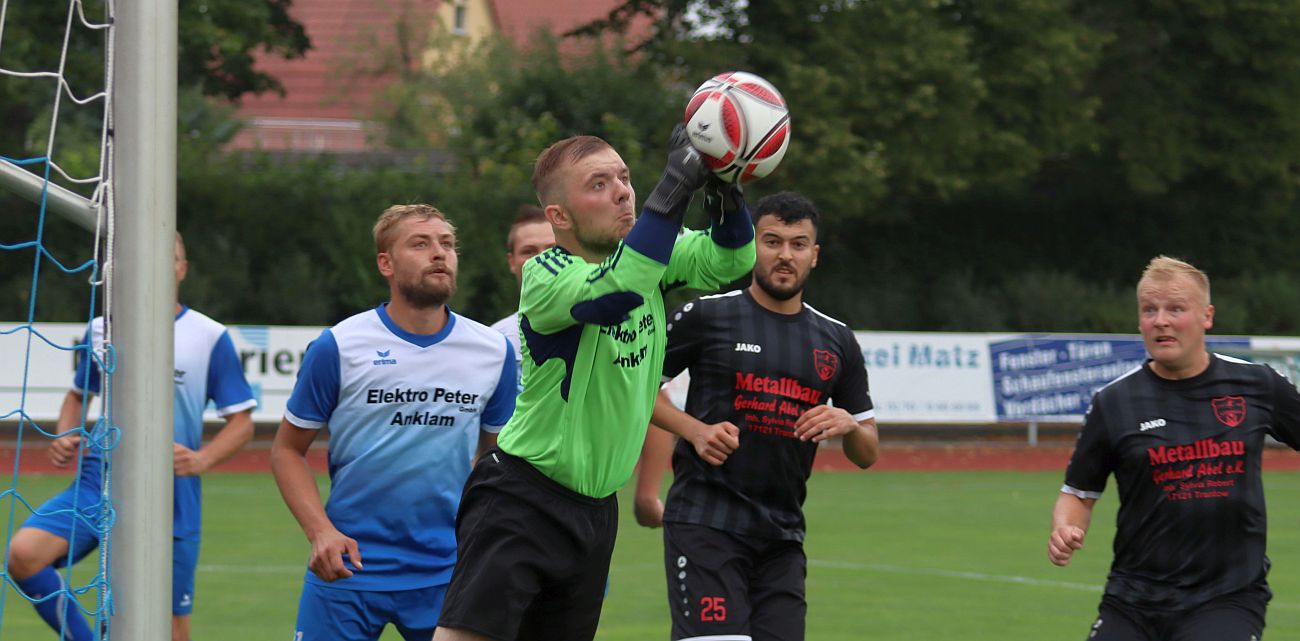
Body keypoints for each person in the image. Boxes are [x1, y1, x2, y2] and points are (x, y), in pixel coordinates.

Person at [433, 126, 756, 641]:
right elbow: (618, 289)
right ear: (558, 216)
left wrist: (725, 189)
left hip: (594, 510)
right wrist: (674, 185)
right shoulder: (545, 273)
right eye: (599, 183)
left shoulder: (651, 258)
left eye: (625, 178)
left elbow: (733, 259)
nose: (624, 190)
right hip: (522, 497)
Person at [271, 204, 516, 641]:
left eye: (447, 244)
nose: (439, 253)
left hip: (451, 571)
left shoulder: (493, 351)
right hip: (347, 569)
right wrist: (320, 532)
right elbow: (287, 450)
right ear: (386, 262)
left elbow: (499, 460)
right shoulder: (339, 346)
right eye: (420, 244)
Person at [649, 191, 878, 641]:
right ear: (753, 244)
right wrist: (694, 431)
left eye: (798, 244)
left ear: (815, 255)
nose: (785, 255)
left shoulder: (837, 340)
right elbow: (634, 391)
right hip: (705, 523)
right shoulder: (706, 315)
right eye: (772, 241)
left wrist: (849, 425)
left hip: (782, 537)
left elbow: (868, 451)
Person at [7, 232, 257, 641]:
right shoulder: (102, 327)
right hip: (99, 479)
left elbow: (242, 422)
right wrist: (66, 434)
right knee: (24, 555)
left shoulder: (208, 335)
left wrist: (202, 459)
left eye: (169, 258)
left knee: (171, 624)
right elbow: (77, 395)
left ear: (182, 269)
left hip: (169, 491)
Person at [1048, 255, 1300, 641]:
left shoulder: (1257, 385)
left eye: (1175, 309)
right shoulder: (1113, 403)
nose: (1160, 320)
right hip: (1132, 601)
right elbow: (1078, 494)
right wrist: (1066, 528)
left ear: (1207, 316)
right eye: (1149, 310)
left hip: (1226, 598)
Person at [489, 205, 556, 386]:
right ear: (511, 262)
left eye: (553, 249)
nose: (542, 259)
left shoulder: (605, 329)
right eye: (529, 251)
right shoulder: (495, 342)